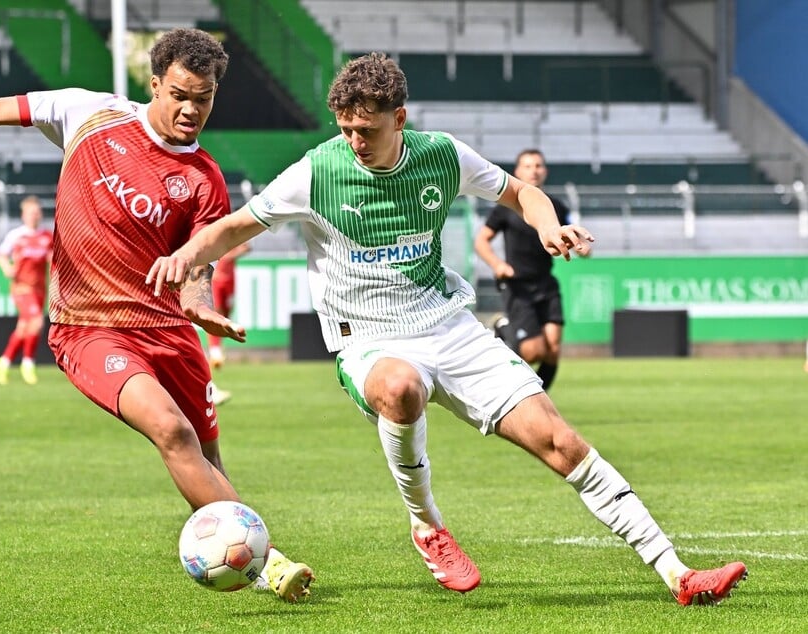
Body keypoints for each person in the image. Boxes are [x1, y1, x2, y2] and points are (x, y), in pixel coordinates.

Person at [149, 52, 747, 606]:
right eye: (346, 128)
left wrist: (546, 226)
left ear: (399, 118)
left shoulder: (441, 154)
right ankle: (429, 527)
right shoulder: (316, 172)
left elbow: (521, 192)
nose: (355, 141)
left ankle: (678, 574)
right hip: (368, 339)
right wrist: (186, 259)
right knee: (401, 388)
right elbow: (231, 228)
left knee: (562, 444)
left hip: (448, 325)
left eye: (368, 129)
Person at [0, 27, 312, 602]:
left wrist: (201, 308)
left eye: (205, 98)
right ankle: (267, 563)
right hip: (88, 327)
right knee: (171, 429)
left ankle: (247, 554)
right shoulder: (88, 113)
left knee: (207, 452)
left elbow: (196, 271)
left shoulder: (205, 180)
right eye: (181, 95)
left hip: (170, 330)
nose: (192, 110)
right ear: (155, 82)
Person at [473, 149, 569, 391]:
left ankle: (539, 400)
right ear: (517, 171)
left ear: (545, 171)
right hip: (517, 284)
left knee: (553, 349)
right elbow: (481, 240)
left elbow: (563, 234)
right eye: (527, 166)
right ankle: (502, 328)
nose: (533, 170)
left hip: (546, 282)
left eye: (538, 165)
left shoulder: (555, 206)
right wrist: (498, 265)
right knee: (534, 350)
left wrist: (579, 247)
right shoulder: (506, 207)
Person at [0, 195, 54, 386]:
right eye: (30, 213)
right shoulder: (16, 235)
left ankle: (3, 362)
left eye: (37, 212)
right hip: (21, 288)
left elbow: (52, 260)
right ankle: (28, 363)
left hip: (39, 289)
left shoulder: (47, 236)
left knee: (23, 328)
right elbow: (2, 255)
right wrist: (6, 268)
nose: (34, 216)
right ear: (23, 215)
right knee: (36, 323)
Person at [207, 239, 251, 406]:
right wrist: (236, 253)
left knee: (226, 316)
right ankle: (215, 351)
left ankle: (218, 351)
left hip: (230, 280)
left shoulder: (234, 232)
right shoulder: (217, 232)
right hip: (217, 280)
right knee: (217, 314)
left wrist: (239, 249)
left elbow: (246, 247)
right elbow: (223, 256)